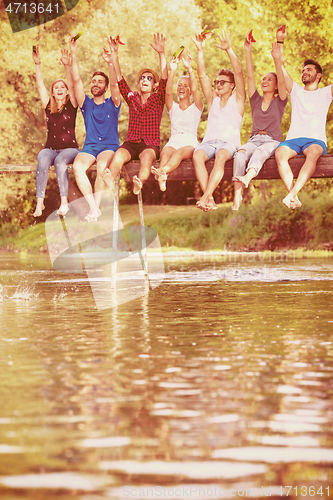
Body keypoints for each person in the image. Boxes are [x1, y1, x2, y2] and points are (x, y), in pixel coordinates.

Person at [274, 25, 333, 209]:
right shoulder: (296, 91)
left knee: (314, 153)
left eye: (308, 70)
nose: (304, 72)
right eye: (303, 70)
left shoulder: (326, 92)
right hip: (293, 140)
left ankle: (291, 194)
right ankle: (294, 196)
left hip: (315, 141)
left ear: (318, 75)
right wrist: (280, 41)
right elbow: (280, 67)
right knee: (279, 154)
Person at [103, 33, 167, 195]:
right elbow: (120, 79)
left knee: (146, 159)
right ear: (138, 84)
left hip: (149, 143)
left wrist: (161, 53)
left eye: (149, 78)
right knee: (118, 155)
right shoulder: (132, 98)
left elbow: (165, 78)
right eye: (142, 78)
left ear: (154, 86)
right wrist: (115, 55)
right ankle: (110, 178)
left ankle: (139, 182)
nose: (145, 80)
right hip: (132, 142)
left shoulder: (158, 98)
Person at [232, 34, 288, 210]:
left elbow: (282, 78)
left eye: (269, 79)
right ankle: (237, 194)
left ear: (276, 85)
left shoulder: (280, 100)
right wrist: (248, 51)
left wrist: (277, 57)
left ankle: (247, 178)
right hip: (253, 139)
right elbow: (249, 77)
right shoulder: (255, 99)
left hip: (272, 142)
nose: (264, 81)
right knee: (240, 154)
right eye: (263, 79)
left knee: (260, 153)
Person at [192, 30, 246, 211]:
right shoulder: (213, 99)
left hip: (228, 144)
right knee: (197, 155)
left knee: (221, 157)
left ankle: (205, 197)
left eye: (223, 82)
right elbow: (202, 76)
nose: (219, 84)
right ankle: (211, 200)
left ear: (232, 85)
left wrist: (229, 50)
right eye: (217, 82)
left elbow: (239, 72)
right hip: (209, 142)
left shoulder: (238, 99)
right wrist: (200, 51)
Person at [69, 35, 121, 221]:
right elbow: (76, 81)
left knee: (101, 165)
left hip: (109, 147)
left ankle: (95, 207)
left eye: (100, 82)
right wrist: (73, 54)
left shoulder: (113, 103)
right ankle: (93, 208)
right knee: (77, 166)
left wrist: (110, 61)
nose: (95, 84)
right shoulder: (86, 104)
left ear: (105, 87)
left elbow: (116, 83)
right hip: (90, 147)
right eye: (93, 81)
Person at [32, 46, 79, 217]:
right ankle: (40, 203)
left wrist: (67, 65)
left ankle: (64, 202)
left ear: (66, 91)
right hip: (51, 149)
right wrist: (38, 64)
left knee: (60, 161)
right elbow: (40, 84)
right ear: (52, 92)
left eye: (62, 87)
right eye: (56, 87)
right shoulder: (48, 106)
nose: (59, 89)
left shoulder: (72, 105)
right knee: (42, 158)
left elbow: (73, 83)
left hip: (70, 149)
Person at [151, 51, 203, 192]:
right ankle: (162, 179)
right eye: (179, 85)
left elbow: (196, 88)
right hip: (174, 140)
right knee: (165, 152)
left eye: (185, 85)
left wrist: (189, 69)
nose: (181, 87)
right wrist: (172, 70)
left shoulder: (197, 107)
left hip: (189, 142)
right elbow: (167, 93)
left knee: (178, 153)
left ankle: (161, 171)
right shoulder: (172, 107)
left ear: (190, 91)